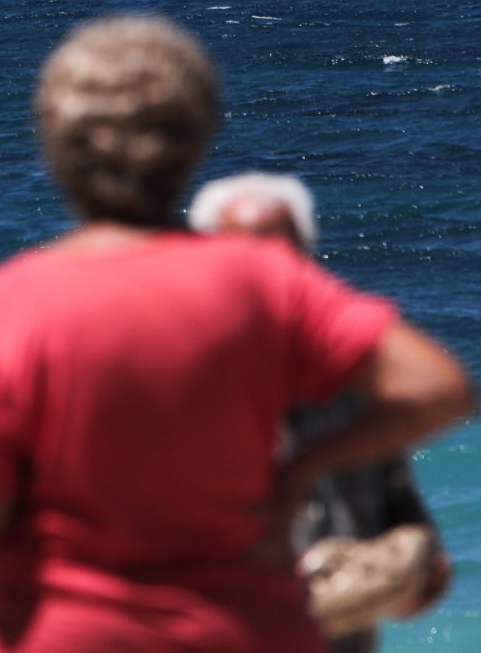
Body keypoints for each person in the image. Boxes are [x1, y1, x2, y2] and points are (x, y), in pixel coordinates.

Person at [0, 18, 476, 653]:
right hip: (248, 630)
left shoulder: (13, 299)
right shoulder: (264, 282)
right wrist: (300, 471)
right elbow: (438, 388)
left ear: (55, 146)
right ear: (196, 139)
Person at [190, 173, 454, 652]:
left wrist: (417, 575)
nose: (268, 273)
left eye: (283, 255)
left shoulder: (353, 391)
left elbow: (401, 516)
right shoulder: (172, 384)